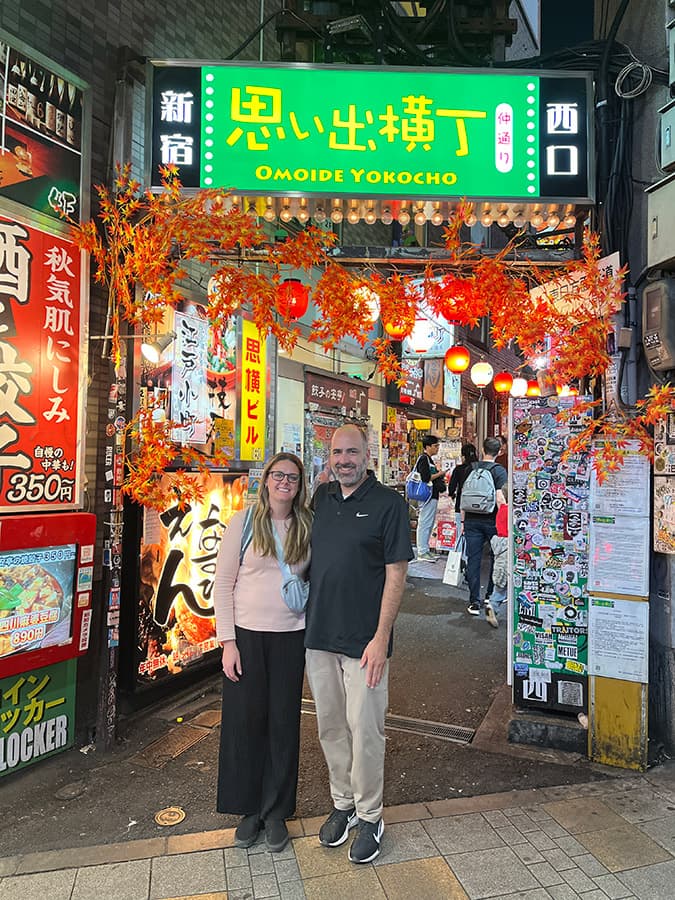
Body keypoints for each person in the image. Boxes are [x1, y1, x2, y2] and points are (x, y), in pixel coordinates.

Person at [305, 424, 413, 864]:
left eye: (352, 452)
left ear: (368, 455)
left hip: (365, 643)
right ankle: (343, 804)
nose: (344, 459)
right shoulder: (322, 499)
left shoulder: (389, 505)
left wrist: (381, 636)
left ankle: (370, 815)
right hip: (319, 636)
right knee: (329, 726)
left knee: (365, 730)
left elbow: (396, 574)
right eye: (337, 452)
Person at [213, 452, 312, 854]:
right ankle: (248, 810)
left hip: (291, 637)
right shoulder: (244, 523)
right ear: (266, 480)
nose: (284, 482)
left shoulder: (307, 525)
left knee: (283, 724)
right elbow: (222, 583)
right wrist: (228, 643)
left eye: (292, 476)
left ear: (300, 484)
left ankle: (276, 813)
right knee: (244, 723)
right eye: (278, 475)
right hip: (246, 637)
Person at [462, 436, 507, 627]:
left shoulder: (470, 468)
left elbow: (463, 494)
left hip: (472, 519)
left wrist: (463, 520)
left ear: (482, 449)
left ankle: (474, 601)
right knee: (496, 558)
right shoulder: (499, 471)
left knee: (473, 559)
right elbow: (500, 498)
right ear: (500, 452)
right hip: (492, 520)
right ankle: (489, 596)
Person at [414, 434, 446, 561]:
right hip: (427, 496)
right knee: (425, 522)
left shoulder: (428, 459)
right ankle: (422, 551)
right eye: (435, 446)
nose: (437, 448)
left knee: (429, 522)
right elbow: (425, 478)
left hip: (431, 495)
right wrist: (440, 474)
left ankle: (425, 549)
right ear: (428, 446)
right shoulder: (423, 459)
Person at [447, 442, 478, 547]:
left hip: (461, 505)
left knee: (460, 534)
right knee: (475, 536)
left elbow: (451, 488)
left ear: (463, 456)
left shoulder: (459, 469)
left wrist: (452, 496)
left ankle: (461, 559)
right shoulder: (480, 469)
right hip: (478, 507)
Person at [490, 483, 509, 623]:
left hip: (499, 544)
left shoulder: (502, 509)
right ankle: (493, 604)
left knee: (500, 580)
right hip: (509, 545)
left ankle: (493, 605)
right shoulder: (513, 513)